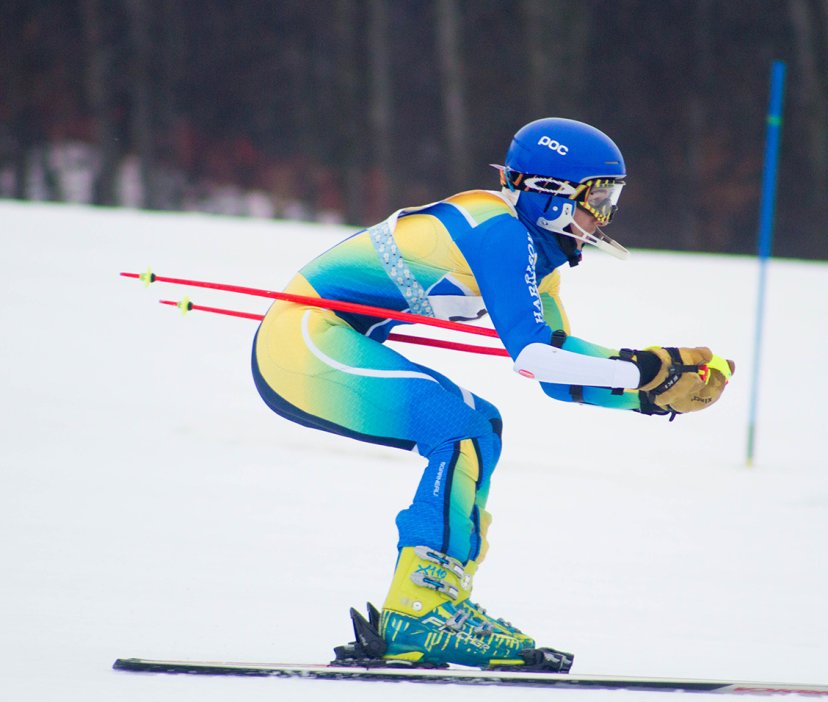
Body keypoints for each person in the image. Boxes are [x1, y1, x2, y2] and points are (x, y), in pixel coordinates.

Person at [251, 117, 734, 670]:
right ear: (550, 194)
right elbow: (532, 355)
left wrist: (650, 391)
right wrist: (643, 371)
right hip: (301, 338)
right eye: (597, 196)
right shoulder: (499, 231)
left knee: (480, 426)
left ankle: (427, 613)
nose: (604, 214)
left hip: (331, 335)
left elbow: (558, 370)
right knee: (460, 426)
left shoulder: (533, 254)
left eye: (611, 198)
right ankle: (422, 610)